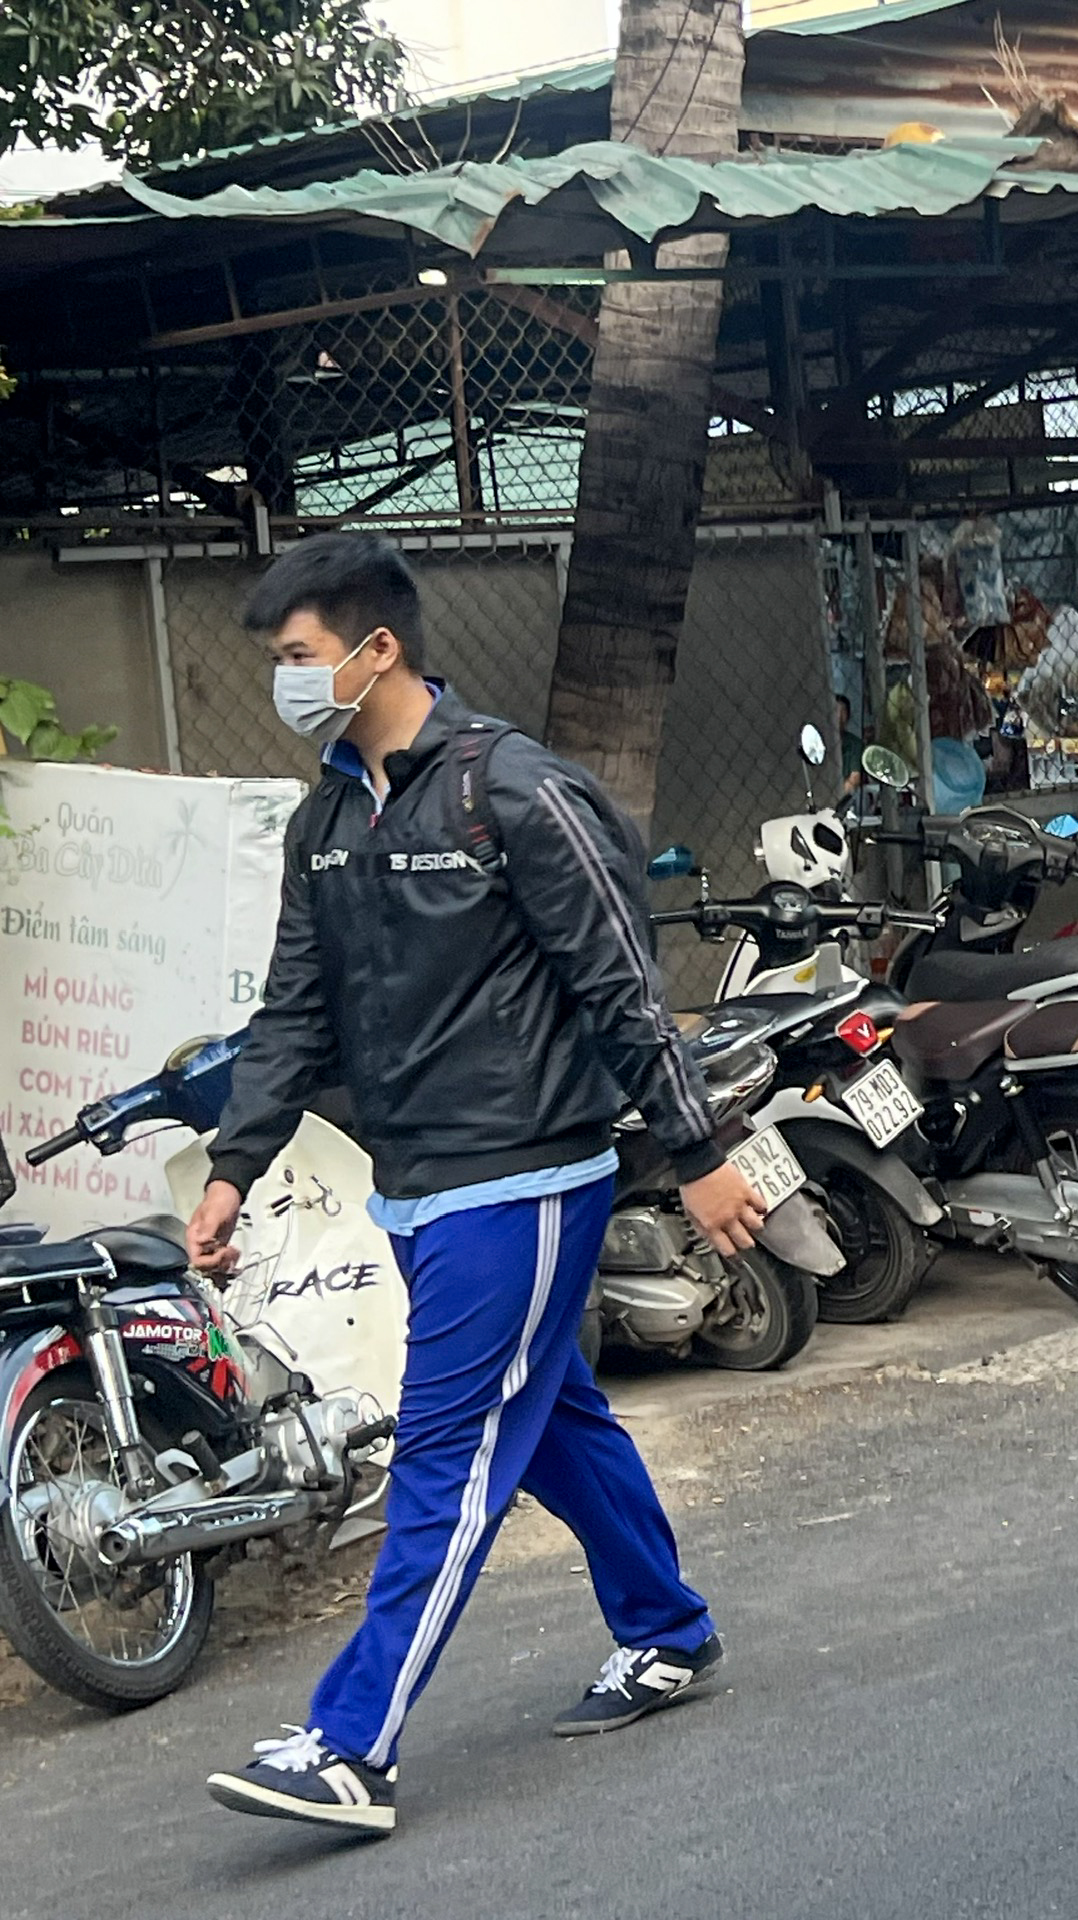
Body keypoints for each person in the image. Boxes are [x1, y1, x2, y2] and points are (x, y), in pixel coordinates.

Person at [191, 534, 754, 1834]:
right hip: (419, 1183)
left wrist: (701, 1150)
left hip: (530, 1175)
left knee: (447, 1453)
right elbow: (293, 1017)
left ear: (376, 651)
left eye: (297, 658)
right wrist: (233, 1168)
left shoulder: (513, 789)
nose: (283, 682)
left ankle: (352, 1742)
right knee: (550, 1417)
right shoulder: (326, 817)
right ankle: (668, 1630)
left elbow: (621, 980)